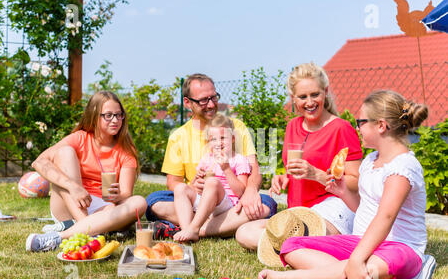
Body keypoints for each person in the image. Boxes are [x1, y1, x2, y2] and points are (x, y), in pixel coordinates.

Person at [258, 90, 435, 279]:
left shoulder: (403, 166)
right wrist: (343, 193)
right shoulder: (371, 161)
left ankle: (290, 277)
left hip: (399, 247)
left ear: (380, 125)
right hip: (360, 242)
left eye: (361, 122)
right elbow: (364, 207)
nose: (357, 127)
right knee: (291, 246)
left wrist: (357, 258)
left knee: (370, 266)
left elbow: (385, 217)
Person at [236, 62, 363, 250]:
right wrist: (284, 178)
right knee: (244, 233)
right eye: (303, 97)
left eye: (315, 95)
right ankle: (300, 249)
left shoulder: (341, 128)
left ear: (325, 92)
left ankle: (299, 249)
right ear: (293, 99)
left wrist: (317, 175)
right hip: (299, 210)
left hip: (333, 208)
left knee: (300, 236)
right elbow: (293, 170)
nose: (309, 102)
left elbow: (357, 181)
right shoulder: (293, 126)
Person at [145, 73, 277, 239]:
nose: (211, 104)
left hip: (230, 202)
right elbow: (173, 183)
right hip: (198, 200)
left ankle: (194, 228)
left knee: (266, 204)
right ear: (187, 102)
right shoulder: (178, 136)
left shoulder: (235, 126)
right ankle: (213, 225)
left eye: (213, 97)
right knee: (153, 201)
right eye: (203, 100)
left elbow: (255, 171)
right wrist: (193, 186)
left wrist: (250, 191)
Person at [26, 91, 147, 252]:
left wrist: (119, 196)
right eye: (108, 115)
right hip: (69, 203)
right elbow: (39, 162)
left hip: (103, 209)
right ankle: (88, 229)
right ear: (94, 116)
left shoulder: (125, 149)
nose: (115, 120)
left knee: (139, 202)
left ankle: (62, 235)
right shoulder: (80, 138)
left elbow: (126, 193)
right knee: (65, 152)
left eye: (119, 115)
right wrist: (73, 187)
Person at [173, 114, 252, 242]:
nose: (218, 143)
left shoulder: (238, 160)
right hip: (206, 202)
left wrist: (226, 169)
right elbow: (193, 186)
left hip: (226, 205)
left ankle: (194, 228)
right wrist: (196, 181)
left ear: (232, 139)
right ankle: (187, 229)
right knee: (180, 188)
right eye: (213, 139)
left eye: (222, 138)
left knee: (213, 182)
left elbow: (241, 191)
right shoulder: (207, 158)